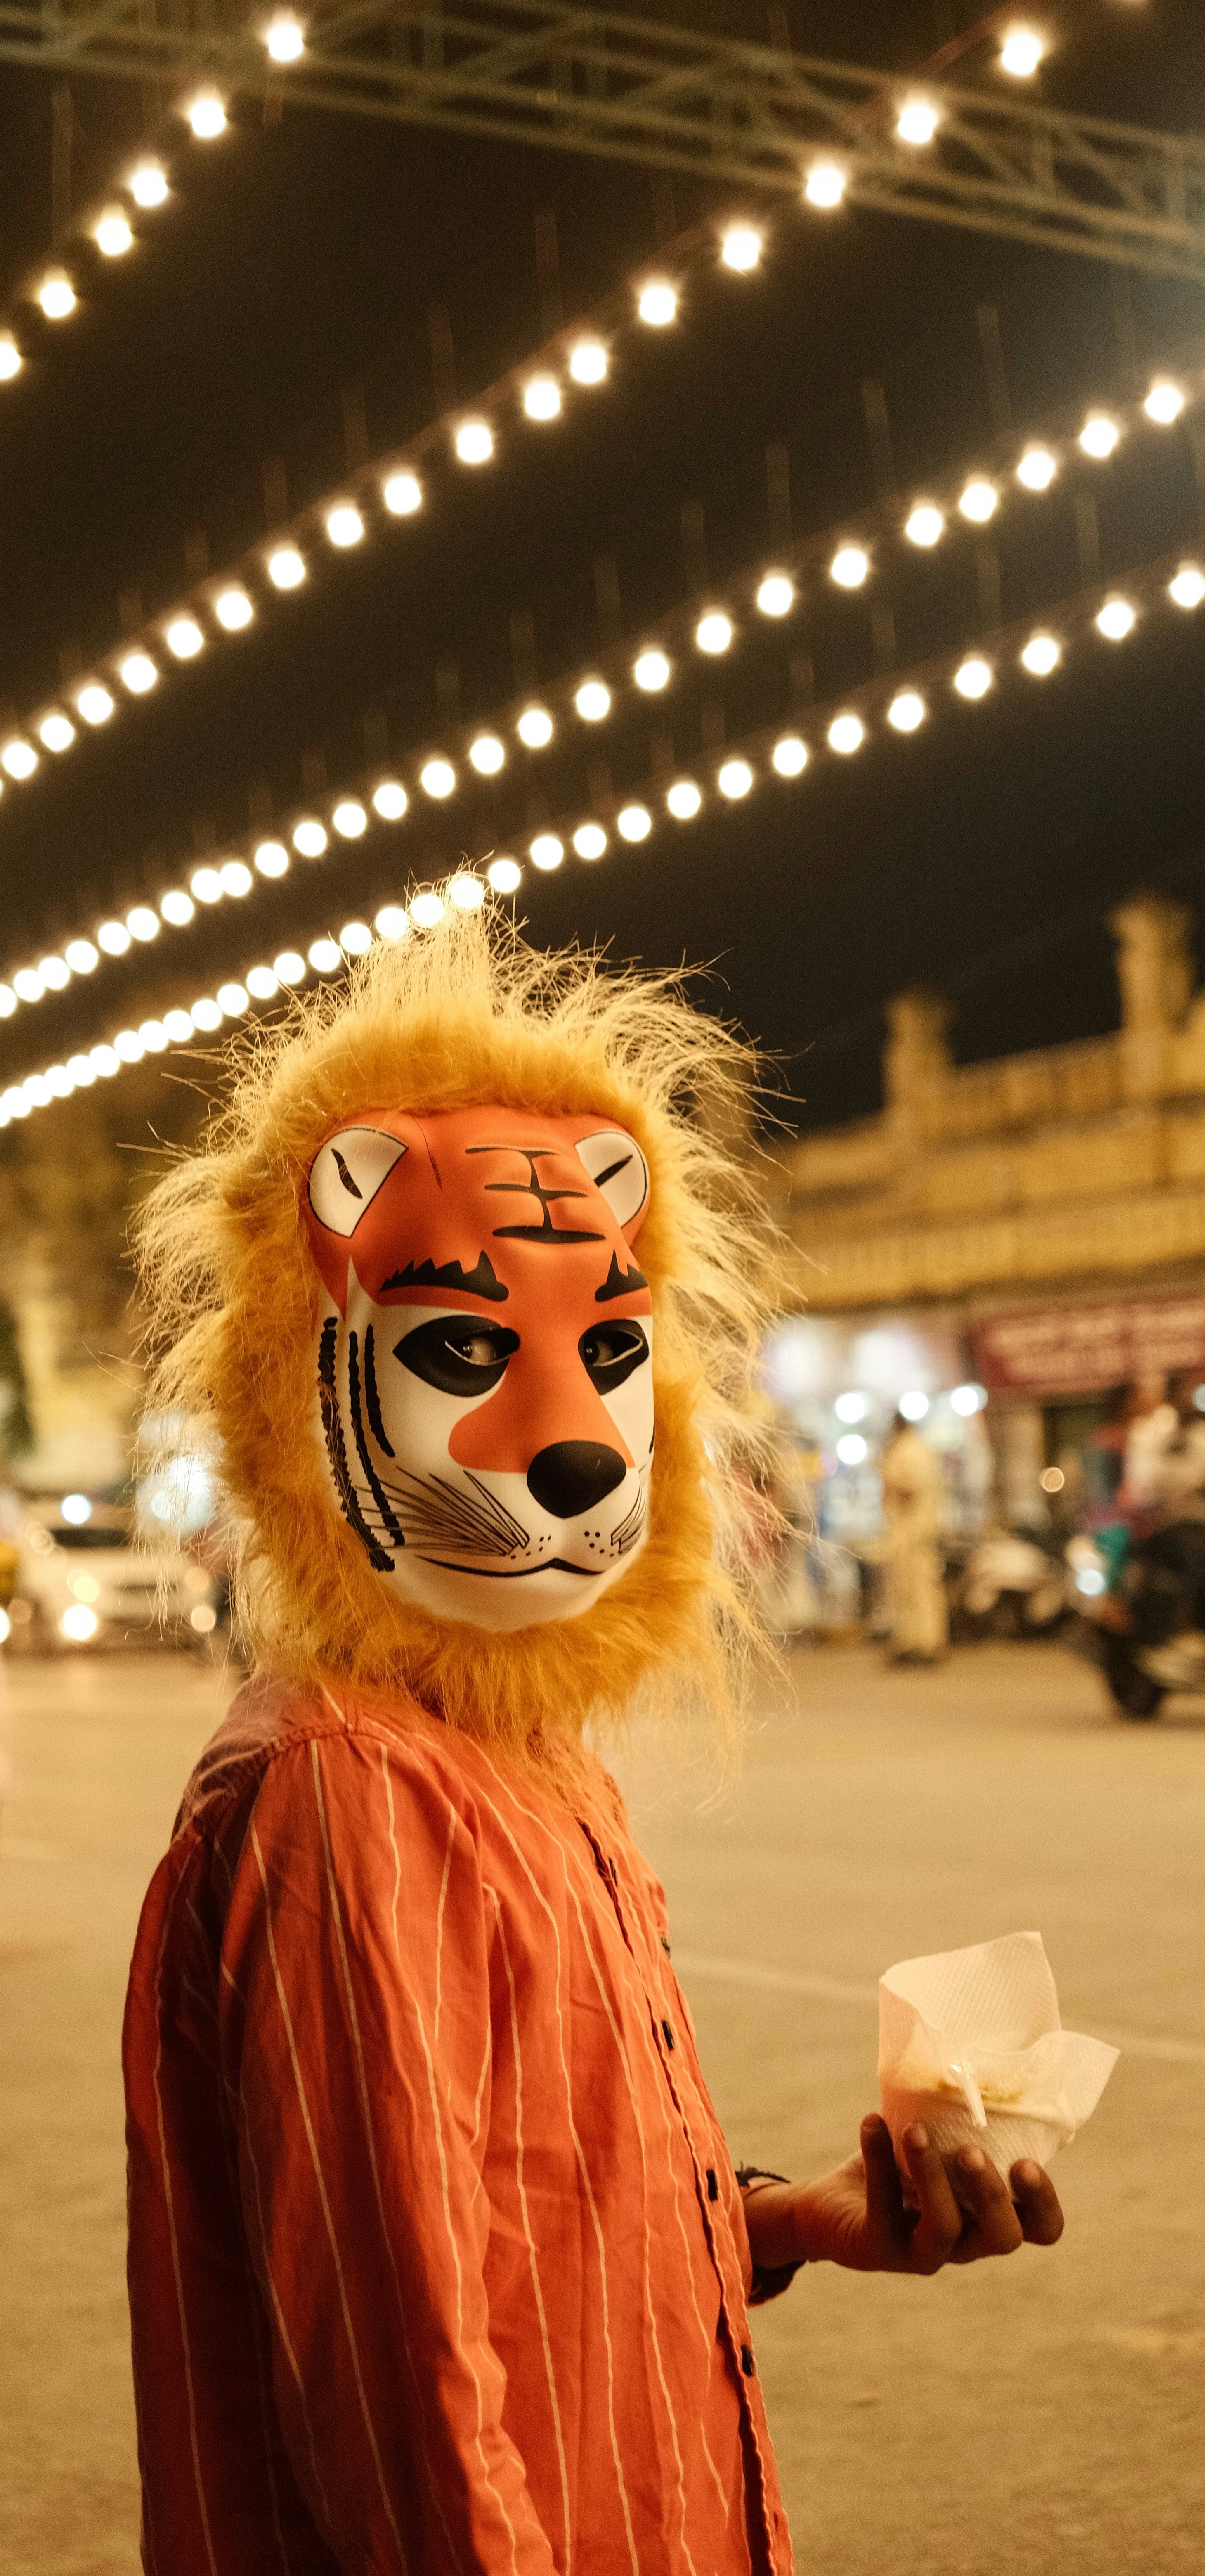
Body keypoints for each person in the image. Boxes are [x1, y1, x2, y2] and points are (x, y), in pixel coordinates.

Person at [123, 918, 1063, 2575]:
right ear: (301, 1381)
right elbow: (407, 2413)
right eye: (462, 1349)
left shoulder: (529, 1758)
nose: (567, 1442)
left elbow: (535, 2228)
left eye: (609, 1349)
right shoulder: (349, 1793)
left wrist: (795, 2223)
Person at [879, 1410, 949, 1664]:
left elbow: (910, 1488)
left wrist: (890, 1489)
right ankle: (914, 1641)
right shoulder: (915, 1449)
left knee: (918, 1588)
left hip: (915, 1532)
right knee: (910, 1588)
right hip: (913, 1531)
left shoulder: (910, 1451)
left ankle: (925, 1644)